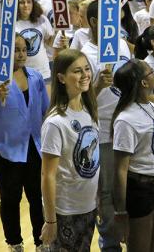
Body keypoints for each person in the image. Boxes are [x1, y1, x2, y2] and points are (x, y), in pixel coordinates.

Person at [0, 35, 49, 252]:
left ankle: (40, 242)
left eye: (24, 50)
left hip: (34, 148)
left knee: (37, 197)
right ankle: (14, 243)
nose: (20, 54)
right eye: (16, 49)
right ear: (4, 52)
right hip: (5, 150)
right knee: (11, 199)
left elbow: (45, 110)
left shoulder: (36, 77)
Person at [81, 0, 131, 252]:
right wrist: (98, 85)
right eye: (107, 18)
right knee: (108, 194)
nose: (114, 22)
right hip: (103, 133)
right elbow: (79, 100)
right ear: (93, 22)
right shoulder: (85, 54)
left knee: (131, 187)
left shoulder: (122, 44)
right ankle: (110, 245)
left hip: (129, 128)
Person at [40, 49, 100, 251]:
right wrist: (50, 221)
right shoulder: (55, 122)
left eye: (86, 69)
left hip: (88, 206)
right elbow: (47, 175)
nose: (85, 75)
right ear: (61, 78)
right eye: (77, 71)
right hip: (65, 211)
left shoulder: (89, 110)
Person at [112, 59, 154, 251]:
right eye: (150, 72)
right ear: (143, 82)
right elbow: (120, 170)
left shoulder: (151, 105)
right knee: (140, 247)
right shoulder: (125, 119)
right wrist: (120, 210)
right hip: (140, 189)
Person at [16, 0, 55, 82]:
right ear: (16, 5)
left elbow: (49, 43)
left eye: (29, 2)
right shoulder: (11, 23)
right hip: (22, 74)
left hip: (43, 72)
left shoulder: (41, 19)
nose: (26, 5)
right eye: (22, 2)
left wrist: (57, 31)